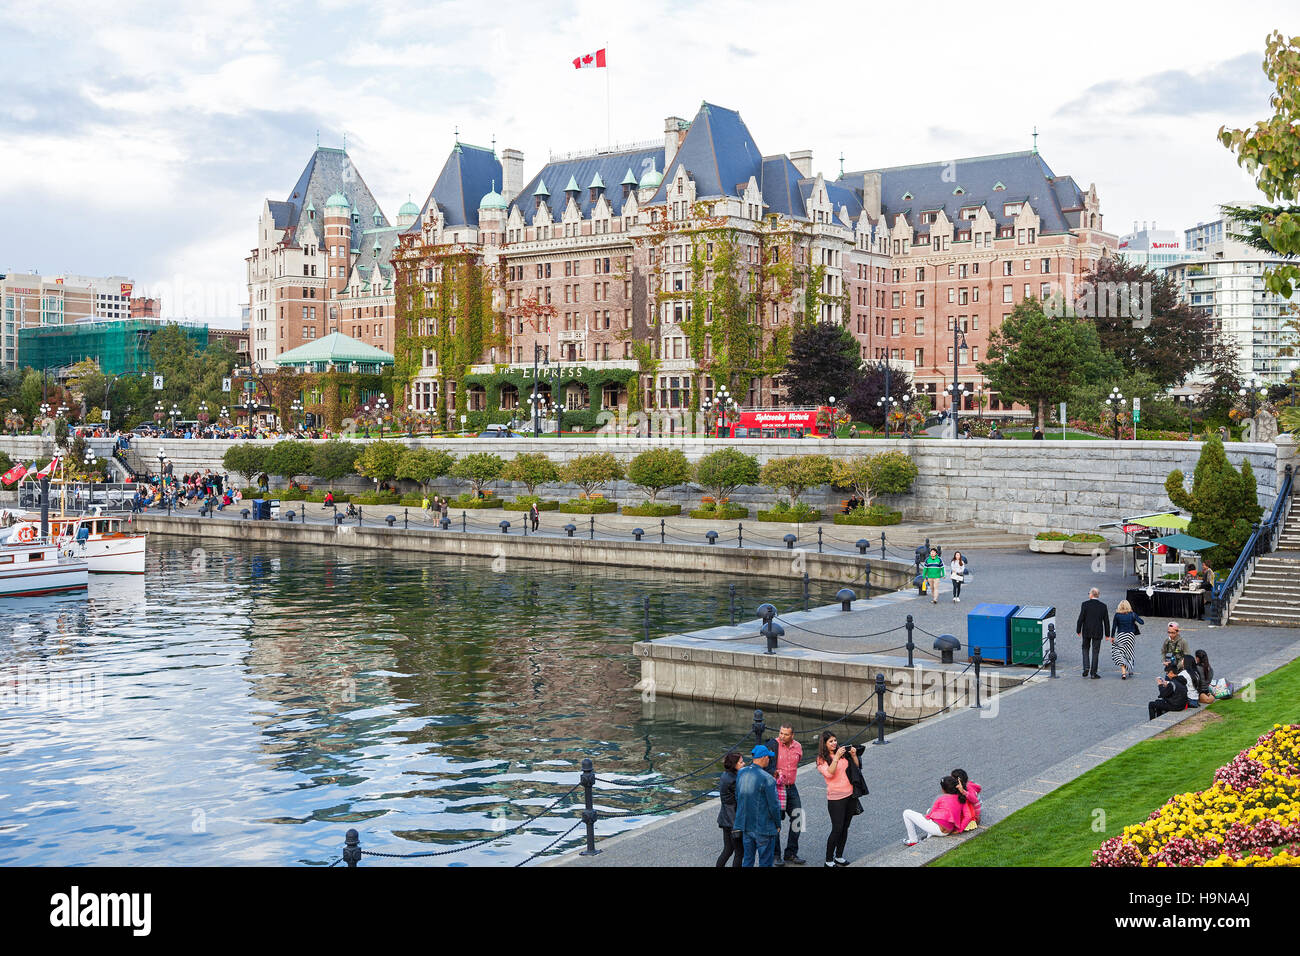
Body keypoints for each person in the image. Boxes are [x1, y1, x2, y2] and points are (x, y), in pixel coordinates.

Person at [817, 731, 862, 867]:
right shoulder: (821, 759)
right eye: (830, 741)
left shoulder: (843, 755)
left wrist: (853, 755)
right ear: (824, 744)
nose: (834, 743)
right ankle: (828, 860)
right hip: (835, 798)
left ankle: (839, 856)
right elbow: (829, 773)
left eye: (835, 740)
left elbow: (857, 767)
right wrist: (836, 757)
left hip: (850, 795)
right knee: (837, 828)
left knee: (845, 827)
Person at [762, 723, 805, 865]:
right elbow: (764, 766)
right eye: (781, 733)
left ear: (792, 735)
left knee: (798, 819)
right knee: (776, 822)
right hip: (776, 788)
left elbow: (797, 762)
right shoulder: (773, 745)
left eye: (786, 734)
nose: (782, 736)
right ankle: (776, 855)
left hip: (791, 787)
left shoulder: (798, 746)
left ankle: (791, 853)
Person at [734, 745, 781, 867]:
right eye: (768, 758)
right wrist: (778, 824)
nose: (769, 760)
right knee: (765, 861)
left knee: (748, 860)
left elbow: (738, 796)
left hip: (746, 825)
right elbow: (774, 806)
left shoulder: (741, 772)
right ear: (764, 757)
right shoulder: (768, 778)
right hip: (764, 827)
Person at [902, 775, 969, 846]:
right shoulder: (961, 798)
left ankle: (913, 840)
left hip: (939, 830)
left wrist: (923, 818)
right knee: (928, 811)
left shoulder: (940, 798)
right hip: (948, 829)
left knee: (906, 813)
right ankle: (928, 837)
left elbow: (929, 815)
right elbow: (967, 816)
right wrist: (959, 830)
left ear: (943, 789)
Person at [715, 751, 744, 868]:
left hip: (725, 818)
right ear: (734, 764)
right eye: (741, 762)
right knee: (739, 852)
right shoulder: (734, 780)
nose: (744, 764)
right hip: (733, 820)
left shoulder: (725, 775)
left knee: (728, 850)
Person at [1075, 587, 1110, 679]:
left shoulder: (1085, 604)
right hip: (1098, 631)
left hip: (1086, 630)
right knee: (1095, 652)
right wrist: (1107, 634)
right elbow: (1106, 621)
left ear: (1091, 594)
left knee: (1085, 648)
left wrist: (1078, 630)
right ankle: (1093, 673)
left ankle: (1086, 667)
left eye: (1089, 593)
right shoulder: (1103, 606)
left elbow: (1081, 618)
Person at [1109, 599, 1144, 680]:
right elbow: (1142, 622)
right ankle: (1130, 669)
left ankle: (1123, 672)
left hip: (1121, 635)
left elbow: (1114, 627)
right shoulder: (1132, 614)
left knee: (1120, 652)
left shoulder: (1117, 615)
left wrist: (1112, 637)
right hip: (1131, 636)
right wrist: (1135, 617)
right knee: (1129, 652)